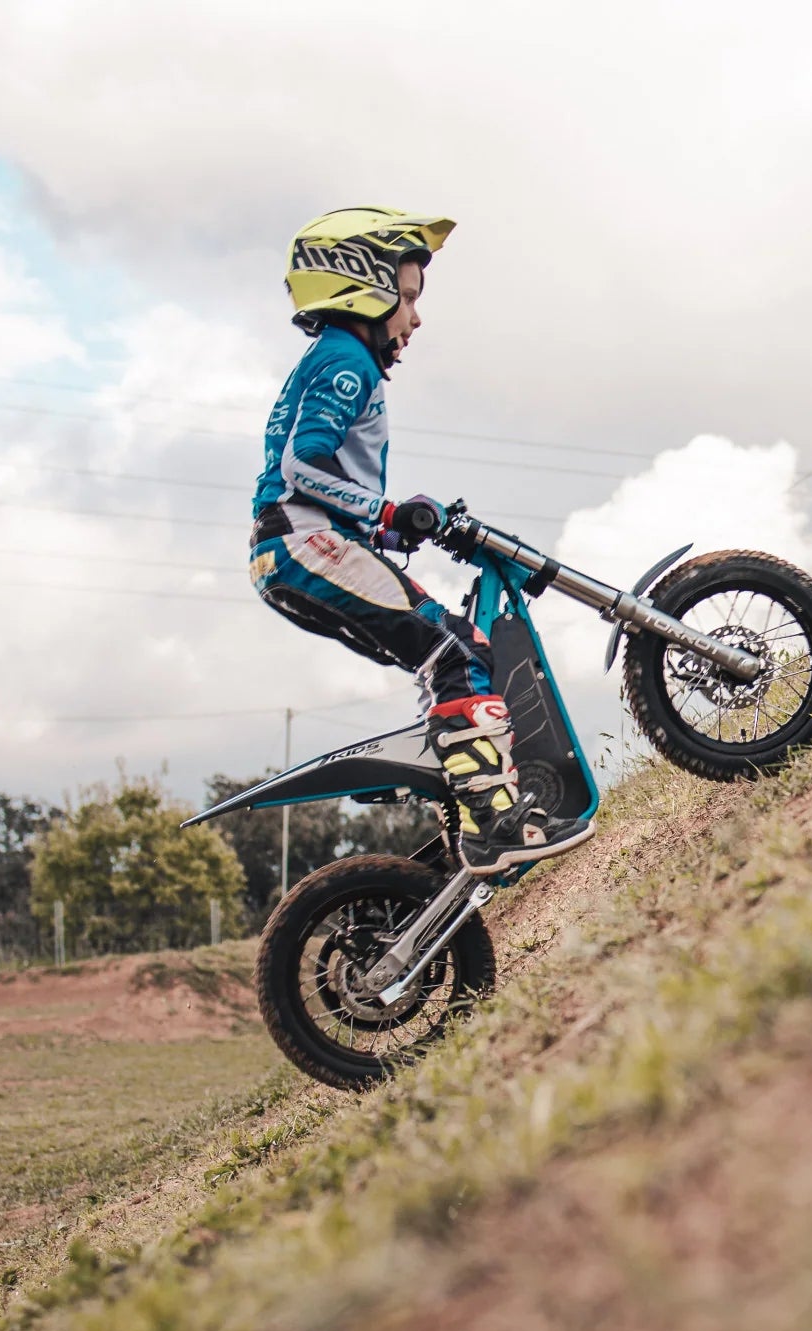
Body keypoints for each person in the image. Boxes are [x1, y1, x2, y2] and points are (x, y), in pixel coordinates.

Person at [249, 206, 591, 877]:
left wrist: (391, 522)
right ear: (364, 288)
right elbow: (302, 468)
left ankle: (468, 798)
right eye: (407, 297)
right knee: (455, 651)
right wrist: (384, 510)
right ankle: (499, 823)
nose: (416, 317)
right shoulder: (347, 360)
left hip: (300, 544)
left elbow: (321, 475)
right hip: (304, 540)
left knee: (457, 653)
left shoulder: (337, 360)